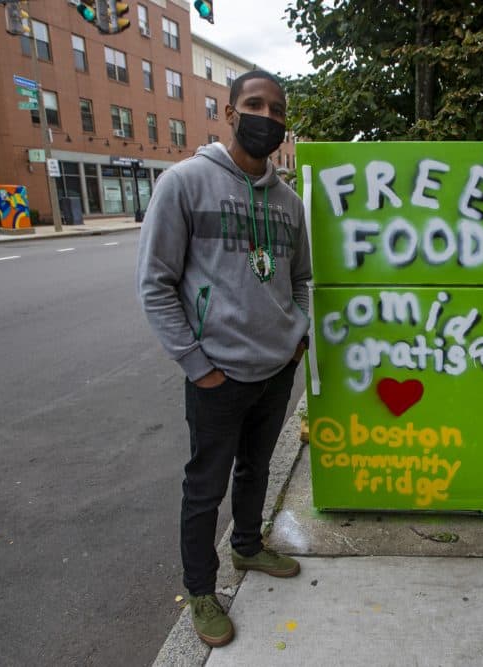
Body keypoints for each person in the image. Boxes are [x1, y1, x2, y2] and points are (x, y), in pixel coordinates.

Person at [137, 70, 311, 647]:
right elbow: (156, 285)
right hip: (217, 375)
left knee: (256, 469)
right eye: (254, 104)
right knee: (203, 489)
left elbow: (302, 279)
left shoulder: (289, 203)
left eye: (277, 108)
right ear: (230, 113)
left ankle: (248, 547)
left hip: (275, 370)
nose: (267, 116)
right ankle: (202, 591)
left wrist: (297, 335)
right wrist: (196, 364)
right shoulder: (184, 184)